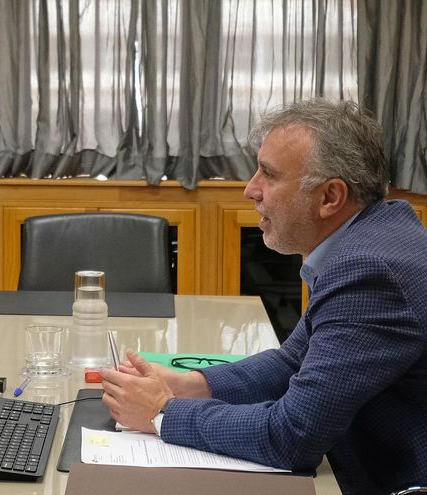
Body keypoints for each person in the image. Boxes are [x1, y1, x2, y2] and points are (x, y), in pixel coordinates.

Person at [100, 99, 427, 495]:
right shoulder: (373, 239)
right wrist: (187, 384)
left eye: (268, 175)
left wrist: (161, 412)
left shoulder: (370, 271)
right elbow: (293, 360)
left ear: (330, 197)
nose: (249, 189)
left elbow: (292, 437)